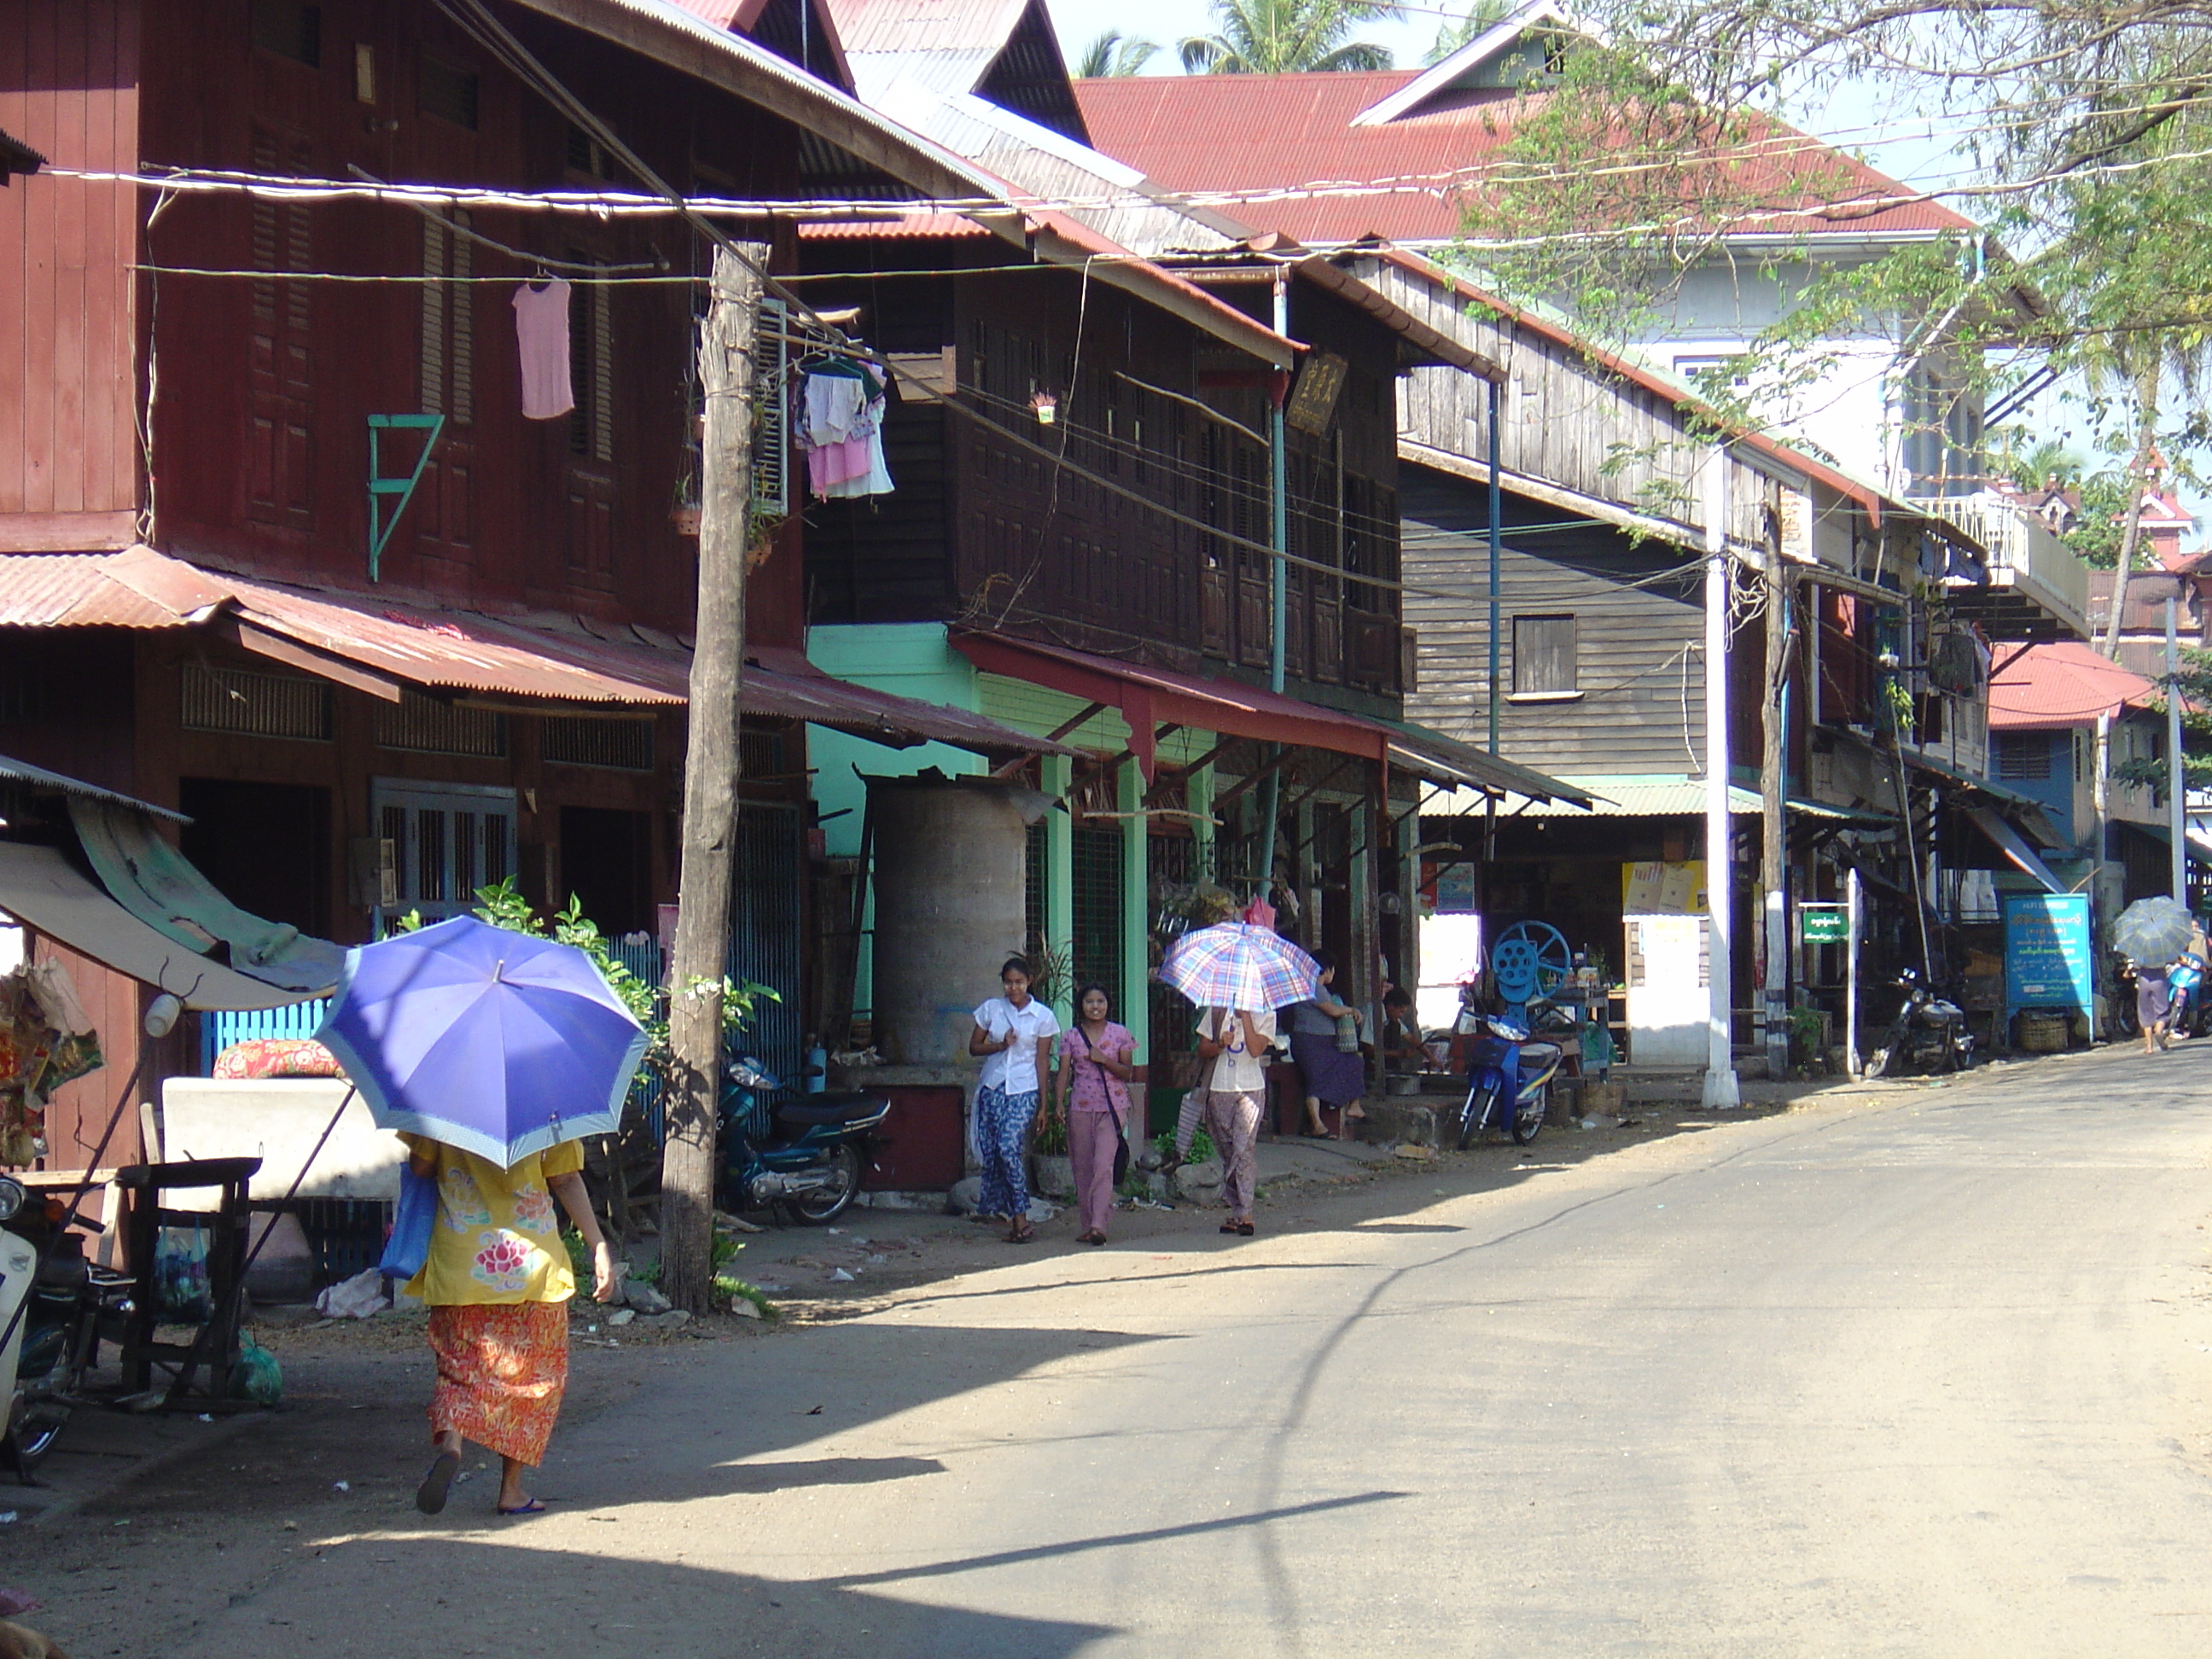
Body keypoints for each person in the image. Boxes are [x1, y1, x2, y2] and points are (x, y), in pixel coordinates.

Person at [405, 1132, 616, 1518]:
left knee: (459, 1371)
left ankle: (452, 1443)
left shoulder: (446, 1102)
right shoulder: (548, 1106)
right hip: (530, 1267)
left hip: (462, 1265)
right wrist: (598, 1244)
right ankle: (511, 1490)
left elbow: (420, 1167)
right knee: (532, 1382)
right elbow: (566, 1179)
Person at [969, 955, 1061, 1243]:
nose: (1013, 988)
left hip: (1025, 1089)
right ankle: (1006, 1215)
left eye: (1019, 982)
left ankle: (1021, 1217)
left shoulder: (1043, 1017)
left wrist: (1044, 1105)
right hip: (993, 1087)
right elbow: (974, 1047)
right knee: (994, 1153)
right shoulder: (991, 1010)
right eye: (1008, 983)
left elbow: (1043, 1061)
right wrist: (1000, 1045)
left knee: (1009, 1147)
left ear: (1029, 982)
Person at [1051, 982, 1135, 1246]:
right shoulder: (1071, 1036)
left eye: (1100, 1001)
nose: (1095, 1006)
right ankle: (1088, 1224)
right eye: (1090, 1002)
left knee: (1103, 1165)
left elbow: (1127, 1072)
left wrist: (1104, 1060)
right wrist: (1057, 1103)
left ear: (1108, 1005)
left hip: (1113, 1108)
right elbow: (1064, 1072)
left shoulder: (1120, 1034)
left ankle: (1100, 1224)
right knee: (1082, 1167)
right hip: (1080, 1107)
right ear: (1081, 1006)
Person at [1194, 1002, 1274, 1237]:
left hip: (1251, 1088)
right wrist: (1220, 1044)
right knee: (1228, 1151)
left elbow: (1257, 1049)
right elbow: (1202, 1049)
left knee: (1244, 1148)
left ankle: (1246, 1212)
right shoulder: (1218, 1010)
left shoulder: (1267, 1012)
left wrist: (1246, 1018)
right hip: (1220, 1088)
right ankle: (1236, 1209)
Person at [1284, 949, 1366, 1139]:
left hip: (1322, 1043)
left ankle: (1354, 1105)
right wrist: (1351, 1010)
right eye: (1332, 969)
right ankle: (1317, 1124)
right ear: (1325, 970)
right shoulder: (1312, 987)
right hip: (1310, 1042)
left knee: (1353, 1062)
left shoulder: (1319, 989)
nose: (1333, 973)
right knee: (1316, 1079)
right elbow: (1331, 1010)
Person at [2134, 955, 2173, 1054]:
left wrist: (2127, 972)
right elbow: (2172, 961)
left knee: (2145, 1012)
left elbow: (2135, 967)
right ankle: (2159, 1032)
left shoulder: (2141, 951)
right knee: (2162, 1009)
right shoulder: (2162, 950)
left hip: (2144, 982)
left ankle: (2149, 1047)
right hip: (2160, 981)